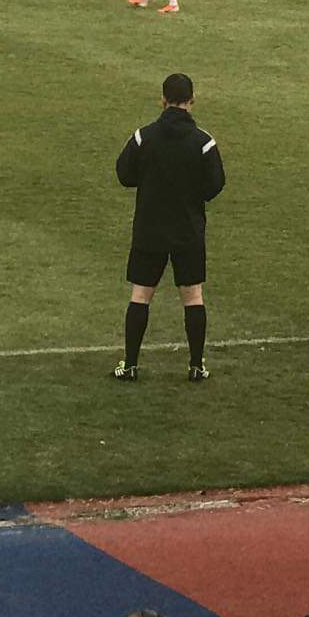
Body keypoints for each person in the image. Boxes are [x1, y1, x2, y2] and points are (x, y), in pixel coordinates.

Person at [114, 72, 224, 384]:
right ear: (192, 100)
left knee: (141, 294)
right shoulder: (203, 143)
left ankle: (131, 364)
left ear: (162, 100)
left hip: (150, 228)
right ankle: (195, 366)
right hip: (187, 230)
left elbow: (124, 174)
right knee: (193, 296)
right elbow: (215, 184)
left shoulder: (143, 137)